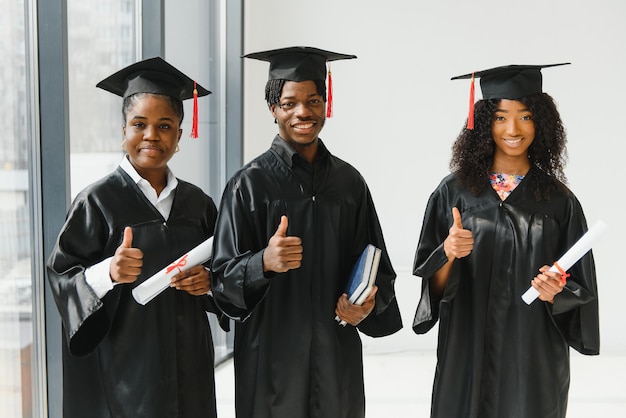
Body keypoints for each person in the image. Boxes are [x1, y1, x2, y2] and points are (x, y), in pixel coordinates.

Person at [210, 46, 403, 418]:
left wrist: (364, 307)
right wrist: (262, 263)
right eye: (289, 103)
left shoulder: (349, 184)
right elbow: (221, 282)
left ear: (325, 104)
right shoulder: (248, 186)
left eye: (313, 100)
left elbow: (379, 268)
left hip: (335, 360)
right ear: (273, 109)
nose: (303, 112)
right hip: (272, 367)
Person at [412, 63, 600, 418]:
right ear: (484, 124)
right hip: (466, 349)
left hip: (531, 353)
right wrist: (448, 253)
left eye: (525, 116)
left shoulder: (560, 202)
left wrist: (556, 291)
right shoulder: (453, 193)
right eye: (500, 118)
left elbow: (581, 289)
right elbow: (432, 291)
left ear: (540, 123)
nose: (513, 129)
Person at [46, 57, 227, 418]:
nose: (151, 136)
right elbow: (62, 278)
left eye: (164, 126)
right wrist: (109, 272)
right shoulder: (96, 201)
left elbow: (224, 270)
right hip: (125, 370)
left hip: (189, 360)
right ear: (123, 131)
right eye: (139, 124)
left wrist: (209, 283)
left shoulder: (198, 204)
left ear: (179, 135)